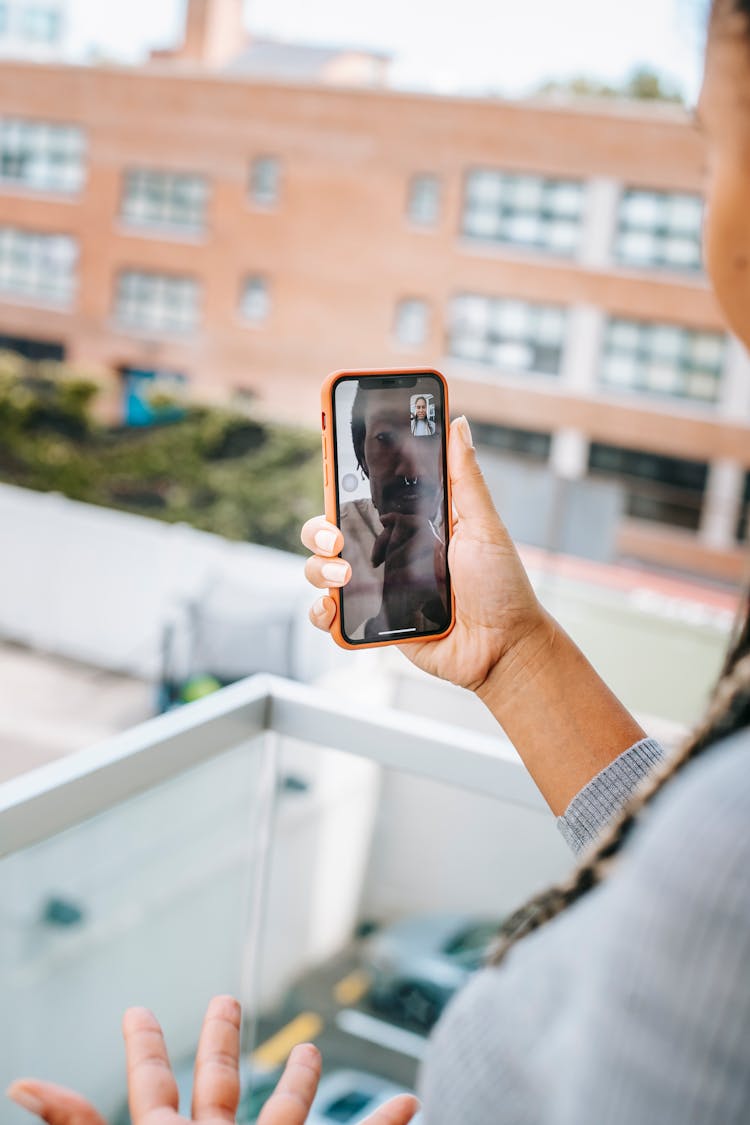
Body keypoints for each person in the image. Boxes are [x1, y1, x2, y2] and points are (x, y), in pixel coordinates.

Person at [7, 0, 750, 1121]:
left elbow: (713, 879)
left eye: (709, 148)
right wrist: (512, 654)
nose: (710, 210)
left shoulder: (721, 872)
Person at [337, 382, 449, 640]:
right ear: (362, 457)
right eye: (385, 438)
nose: (412, 471)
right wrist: (386, 621)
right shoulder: (340, 536)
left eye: (427, 433)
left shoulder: (470, 536)